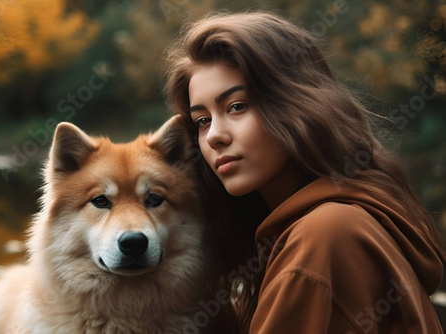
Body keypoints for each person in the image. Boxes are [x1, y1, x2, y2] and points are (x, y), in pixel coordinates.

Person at [162, 11, 446, 334]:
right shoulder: (340, 222)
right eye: (202, 120)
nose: (214, 135)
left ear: (297, 104)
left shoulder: (322, 235)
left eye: (236, 106)